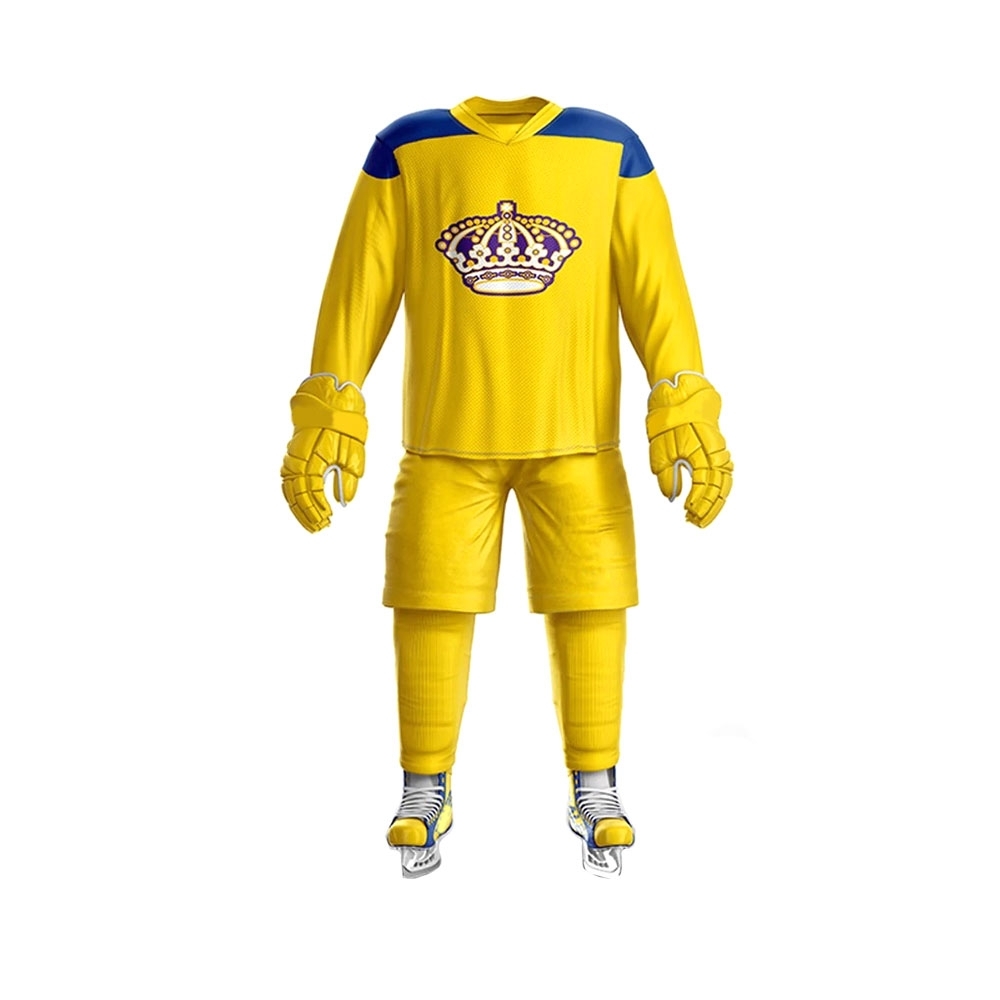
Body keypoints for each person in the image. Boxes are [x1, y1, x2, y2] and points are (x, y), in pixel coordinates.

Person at [280, 96, 733, 878]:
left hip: (580, 437)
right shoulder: (408, 148)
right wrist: (332, 397)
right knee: (429, 597)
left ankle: (596, 786)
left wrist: (682, 396)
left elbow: (656, 284)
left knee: (592, 599)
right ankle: (425, 787)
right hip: (444, 439)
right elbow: (361, 280)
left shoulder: (612, 147)